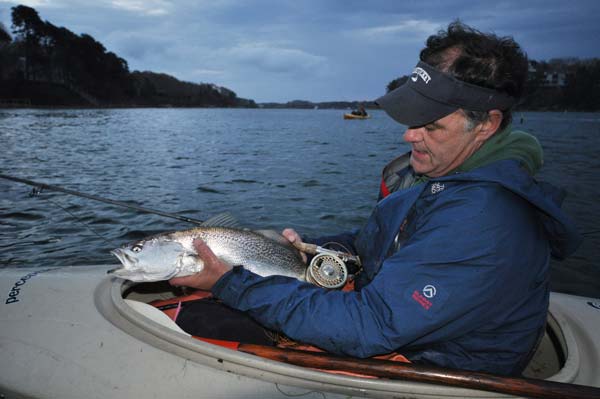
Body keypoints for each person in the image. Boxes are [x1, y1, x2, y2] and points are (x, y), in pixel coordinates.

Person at [170, 21, 581, 376]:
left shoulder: (484, 218)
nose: (408, 135)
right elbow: (377, 241)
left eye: (431, 125)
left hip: (436, 368)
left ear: (486, 125)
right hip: (397, 326)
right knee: (206, 312)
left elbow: (369, 327)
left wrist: (231, 282)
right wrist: (312, 250)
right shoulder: (452, 173)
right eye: (410, 119)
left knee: (202, 323)